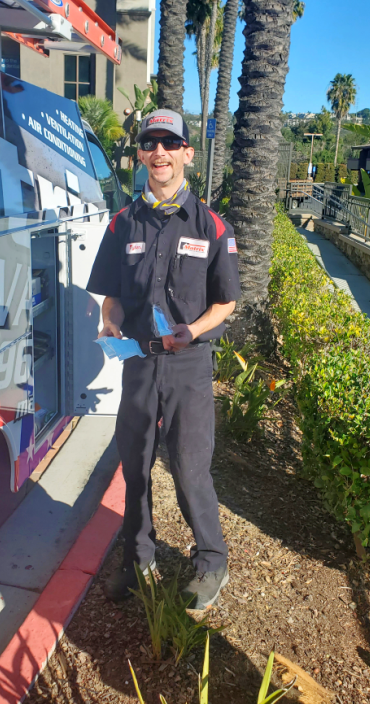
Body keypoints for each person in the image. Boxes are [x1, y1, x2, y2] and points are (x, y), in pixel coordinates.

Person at [87, 109, 240, 609]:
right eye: (151, 143)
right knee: (135, 467)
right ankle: (138, 556)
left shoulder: (212, 225)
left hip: (188, 367)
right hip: (138, 363)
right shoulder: (122, 223)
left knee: (191, 468)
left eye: (170, 143)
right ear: (140, 156)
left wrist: (191, 330)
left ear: (187, 153)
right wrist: (110, 320)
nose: (160, 152)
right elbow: (110, 292)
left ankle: (210, 561)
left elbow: (227, 301)